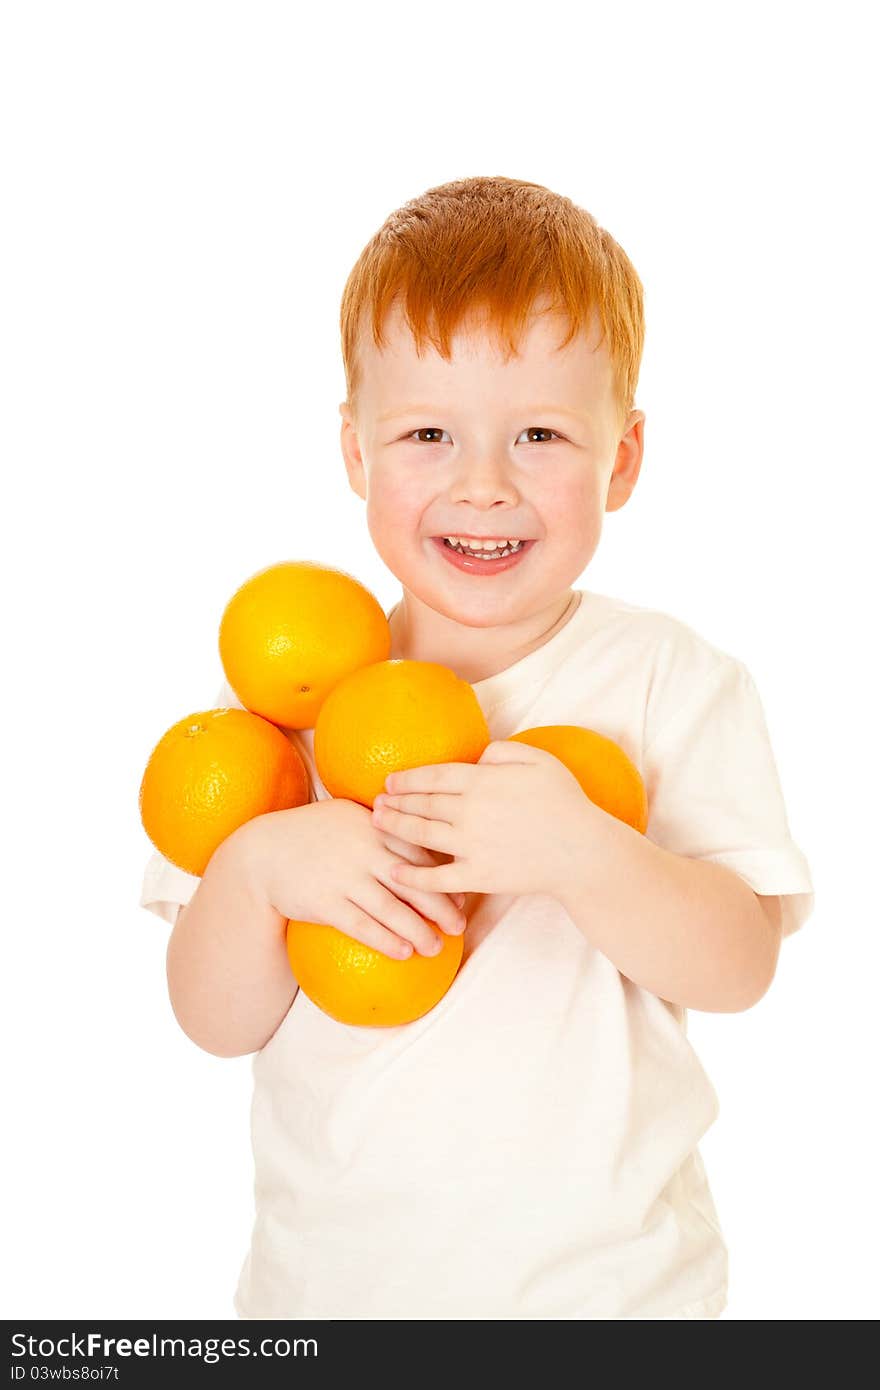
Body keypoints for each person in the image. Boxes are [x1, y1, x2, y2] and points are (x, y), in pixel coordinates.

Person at [140, 175, 814, 1320]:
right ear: (355, 451)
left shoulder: (665, 681)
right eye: (426, 434)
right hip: (327, 1305)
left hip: (614, 1303)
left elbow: (740, 966)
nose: (483, 482)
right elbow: (213, 1021)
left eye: (541, 433)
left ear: (623, 458)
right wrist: (258, 871)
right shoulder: (280, 702)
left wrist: (584, 852)